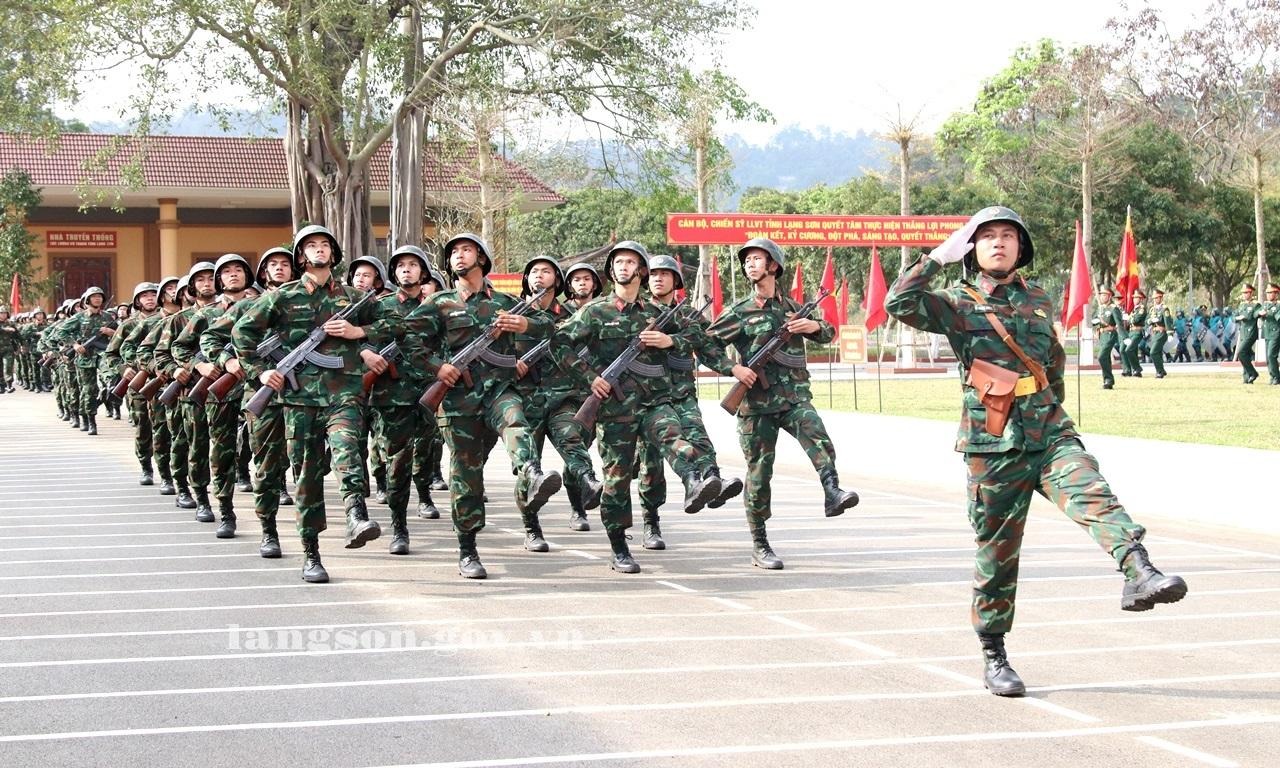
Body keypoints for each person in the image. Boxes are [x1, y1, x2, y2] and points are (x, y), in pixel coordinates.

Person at [885, 205, 1187, 697]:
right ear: (973, 249)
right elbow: (899, 302)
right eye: (987, 236)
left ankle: (1139, 570)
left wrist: (1054, 411)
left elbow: (1052, 362)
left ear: (1021, 247)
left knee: (1093, 492)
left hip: (1047, 428)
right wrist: (937, 257)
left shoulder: (1040, 299)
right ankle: (994, 652)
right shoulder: (956, 303)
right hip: (993, 443)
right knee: (998, 552)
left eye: (1008, 235)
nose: (998, 242)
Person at [552, 241, 725, 573]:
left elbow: (699, 337)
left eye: (631, 262)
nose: (623, 266)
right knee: (617, 479)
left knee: (672, 436)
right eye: (618, 262)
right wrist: (590, 378)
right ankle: (619, 546)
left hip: (654, 401)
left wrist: (671, 340)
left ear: (641, 271)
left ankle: (693, 480)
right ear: (611, 270)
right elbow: (559, 343)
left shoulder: (655, 314)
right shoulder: (595, 311)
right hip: (614, 409)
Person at [232, 225, 389, 583]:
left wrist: (359, 332)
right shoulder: (282, 297)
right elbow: (243, 332)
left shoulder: (353, 297)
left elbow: (394, 321)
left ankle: (356, 514)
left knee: (347, 450)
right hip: (299, 400)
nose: (319, 250)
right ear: (301, 256)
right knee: (307, 475)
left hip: (343, 394)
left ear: (334, 254)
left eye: (325, 245)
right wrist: (259, 372)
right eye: (311, 246)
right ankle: (310, 553)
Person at [404, 232, 562, 579]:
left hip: (499, 390)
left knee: (515, 419)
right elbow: (407, 337)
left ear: (482, 257)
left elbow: (550, 327)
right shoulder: (440, 303)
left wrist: (524, 322)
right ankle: (468, 549)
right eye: (454, 253)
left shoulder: (505, 302)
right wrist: (436, 367)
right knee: (466, 474)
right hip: (459, 401)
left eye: (466, 250)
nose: (459, 256)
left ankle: (530, 472)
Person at [705, 238, 859, 569]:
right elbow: (707, 344)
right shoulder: (739, 311)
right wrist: (734, 368)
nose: (750, 264)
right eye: (746, 260)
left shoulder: (793, 308)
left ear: (774, 265)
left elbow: (828, 333)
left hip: (793, 398)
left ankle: (832, 491)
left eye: (757, 259)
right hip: (757, 405)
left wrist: (813, 325)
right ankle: (760, 542)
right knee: (760, 474)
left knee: (817, 434)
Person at [635, 254, 743, 550]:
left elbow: (708, 349)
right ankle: (651, 522)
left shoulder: (690, 316)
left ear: (676, 281)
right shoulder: (638, 312)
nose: (658, 278)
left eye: (665, 274)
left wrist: (733, 369)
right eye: (653, 274)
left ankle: (712, 481)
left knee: (698, 436)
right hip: (649, 397)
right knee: (651, 463)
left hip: (681, 392)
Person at [510, 255, 602, 551]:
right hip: (526, 401)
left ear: (558, 281)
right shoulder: (514, 313)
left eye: (546, 271)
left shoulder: (573, 315)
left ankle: (587, 485)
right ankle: (531, 527)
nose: (539, 275)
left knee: (572, 439)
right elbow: (493, 348)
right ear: (526, 279)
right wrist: (512, 364)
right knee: (529, 465)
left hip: (564, 396)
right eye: (534, 271)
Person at [1091, 286, 1122, 389]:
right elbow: (1094, 320)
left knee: (1101, 356)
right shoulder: (1100, 308)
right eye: (1101, 295)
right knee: (1106, 358)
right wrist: (1096, 329)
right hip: (1102, 335)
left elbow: (1119, 324)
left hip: (1110, 334)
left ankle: (1108, 378)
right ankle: (1108, 381)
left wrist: (1124, 337)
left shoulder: (1113, 308)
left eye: (1104, 295)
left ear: (1109, 297)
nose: (1102, 297)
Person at [1233, 284, 1263, 384]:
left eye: (1246, 292)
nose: (1244, 295)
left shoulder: (1256, 305)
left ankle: (1253, 373)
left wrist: (1260, 313)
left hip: (1251, 332)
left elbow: (1256, 313)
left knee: (1241, 353)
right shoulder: (1241, 305)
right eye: (1243, 293)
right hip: (1243, 332)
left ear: (1251, 293)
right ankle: (1247, 378)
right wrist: (1238, 318)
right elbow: (1234, 316)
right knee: (1246, 354)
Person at [1146, 288, 1173, 378]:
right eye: (1154, 298)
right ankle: (1162, 370)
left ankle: (1159, 371)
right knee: (1158, 353)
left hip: (1162, 332)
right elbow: (1147, 320)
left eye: (1157, 298)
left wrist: (1170, 334)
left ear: (1161, 298)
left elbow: (1168, 321)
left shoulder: (1164, 309)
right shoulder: (1152, 309)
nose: (1155, 300)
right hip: (1154, 333)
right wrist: (1151, 321)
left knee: (1153, 352)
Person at [1121, 289, 1146, 377]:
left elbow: (1136, 320)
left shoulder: (1142, 309)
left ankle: (1137, 369)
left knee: (1129, 350)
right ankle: (1128, 370)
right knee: (1123, 349)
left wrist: (1128, 318)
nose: (1134, 299)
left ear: (1141, 299)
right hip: (1130, 332)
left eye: (1136, 298)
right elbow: (1129, 322)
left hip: (1137, 332)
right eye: (1134, 298)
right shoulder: (1134, 310)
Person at [1263, 283, 1280, 385]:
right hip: (1267, 333)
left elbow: (1278, 317)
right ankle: (1273, 376)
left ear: (1276, 294)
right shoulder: (1265, 305)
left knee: (1271, 355)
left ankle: (1277, 377)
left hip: (1275, 333)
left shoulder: (1278, 306)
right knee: (1267, 357)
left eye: (1271, 293)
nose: (1268, 295)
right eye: (1267, 293)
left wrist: (1268, 313)